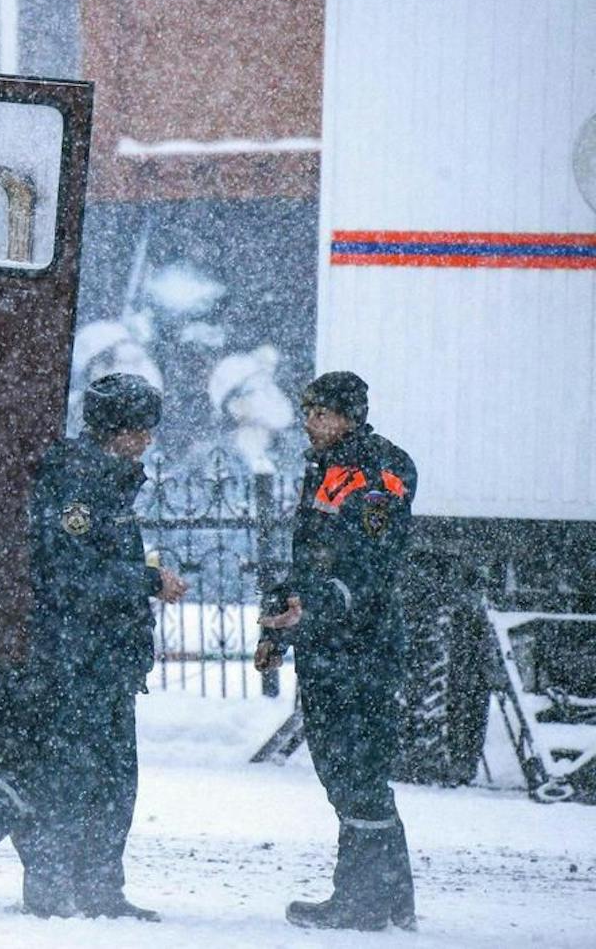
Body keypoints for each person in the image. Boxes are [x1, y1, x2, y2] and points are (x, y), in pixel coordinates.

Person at [0, 372, 186, 919]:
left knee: (107, 780)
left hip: (103, 660)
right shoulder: (78, 481)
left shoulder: (107, 476)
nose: (148, 440)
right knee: (45, 776)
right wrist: (147, 581)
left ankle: (93, 890)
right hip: (73, 659)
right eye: (141, 428)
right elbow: (69, 573)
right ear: (118, 429)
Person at [255, 370, 419, 931]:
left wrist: (317, 606)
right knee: (348, 772)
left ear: (350, 417)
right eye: (306, 411)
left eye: (320, 413)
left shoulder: (381, 474)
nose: (309, 422)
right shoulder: (322, 467)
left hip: (362, 648)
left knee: (356, 773)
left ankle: (363, 901)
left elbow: (371, 567)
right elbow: (310, 561)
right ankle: (391, 900)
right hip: (330, 646)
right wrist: (280, 628)